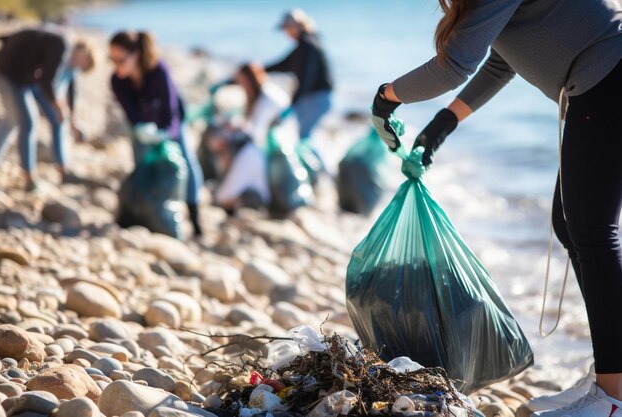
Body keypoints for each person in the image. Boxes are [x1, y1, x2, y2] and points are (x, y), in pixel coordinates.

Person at [371, 1, 622, 416]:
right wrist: (445, 122)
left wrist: (387, 96)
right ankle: (611, 375)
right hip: (602, 80)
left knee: (593, 233)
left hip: (608, 77)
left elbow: (453, 66)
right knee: (570, 225)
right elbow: (503, 61)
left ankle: (613, 396)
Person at [109, 31, 204, 237]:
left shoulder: (158, 71)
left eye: (120, 60)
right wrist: (142, 129)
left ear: (136, 55)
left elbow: (172, 114)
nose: (116, 65)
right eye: (112, 60)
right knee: (143, 166)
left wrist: (165, 135)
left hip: (171, 123)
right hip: (143, 127)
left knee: (185, 162)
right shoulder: (117, 81)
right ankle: (142, 214)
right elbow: (131, 114)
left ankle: (195, 219)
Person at [0, 28, 95, 190]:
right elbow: (47, 80)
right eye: (84, 64)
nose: (79, 68)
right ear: (85, 52)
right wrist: (59, 105)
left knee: (12, 120)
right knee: (27, 122)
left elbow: (69, 87)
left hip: (23, 78)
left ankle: (60, 168)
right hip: (8, 73)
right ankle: (30, 178)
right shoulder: (62, 45)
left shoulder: (67, 52)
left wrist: (71, 115)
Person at [265, 9, 333, 141]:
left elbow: (307, 76)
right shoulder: (305, 44)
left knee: (304, 138)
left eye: (286, 28)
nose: (285, 33)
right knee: (305, 136)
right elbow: (284, 64)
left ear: (295, 26)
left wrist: (295, 101)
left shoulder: (307, 45)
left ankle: (319, 162)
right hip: (317, 97)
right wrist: (261, 69)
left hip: (316, 98)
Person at [206, 127, 270, 215]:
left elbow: (222, 197)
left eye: (219, 152)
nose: (219, 158)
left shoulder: (246, 156)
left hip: (259, 201)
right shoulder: (247, 149)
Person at [236, 63, 290, 147]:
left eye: (244, 82)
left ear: (251, 80)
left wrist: (238, 130)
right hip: (276, 137)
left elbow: (257, 132)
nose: (243, 87)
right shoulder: (261, 95)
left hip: (284, 139)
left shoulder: (267, 97)